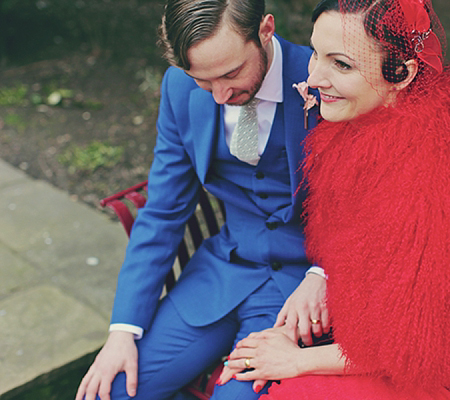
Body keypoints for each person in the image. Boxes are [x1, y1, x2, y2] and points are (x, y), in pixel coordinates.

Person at [217, 0, 450, 398]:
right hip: (392, 344)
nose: (313, 78)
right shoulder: (372, 126)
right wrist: (321, 277)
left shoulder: (433, 177)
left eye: (341, 65)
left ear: (402, 73)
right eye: (315, 54)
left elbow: (419, 346)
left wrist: (297, 360)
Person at [75, 0, 327, 399]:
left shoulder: (326, 77)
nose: (221, 95)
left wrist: (325, 276)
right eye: (204, 82)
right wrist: (122, 330)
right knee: (112, 391)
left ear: (265, 29)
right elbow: (162, 211)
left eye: (231, 73)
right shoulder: (177, 87)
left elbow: (375, 203)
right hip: (222, 273)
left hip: (300, 291)